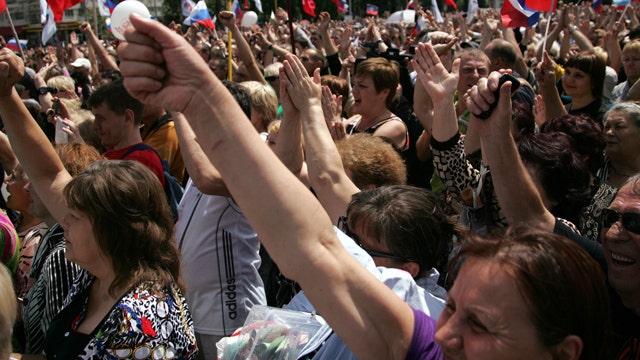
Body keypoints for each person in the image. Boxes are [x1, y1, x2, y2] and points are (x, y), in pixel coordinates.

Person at [114, 16, 613, 359]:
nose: (447, 333)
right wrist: (199, 94)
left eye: (480, 325)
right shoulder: (423, 348)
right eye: (454, 309)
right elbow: (313, 245)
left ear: (564, 352)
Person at [0, 48, 198, 359]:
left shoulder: (139, 322)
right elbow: (49, 173)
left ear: (112, 229)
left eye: (75, 217)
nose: (63, 221)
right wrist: (5, 95)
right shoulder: (103, 273)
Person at [465, 67, 636, 359]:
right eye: (609, 219)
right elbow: (530, 217)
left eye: (635, 222)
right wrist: (494, 134)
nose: (615, 233)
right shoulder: (599, 270)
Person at [87, 78, 165, 186]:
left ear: (128, 118)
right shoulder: (109, 154)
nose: (95, 126)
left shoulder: (142, 162)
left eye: (101, 119)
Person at [345, 57, 409, 151]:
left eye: (362, 86)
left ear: (384, 92)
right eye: (354, 84)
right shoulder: (355, 120)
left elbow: (363, 157)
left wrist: (335, 127)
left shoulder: (394, 127)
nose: (354, 91)